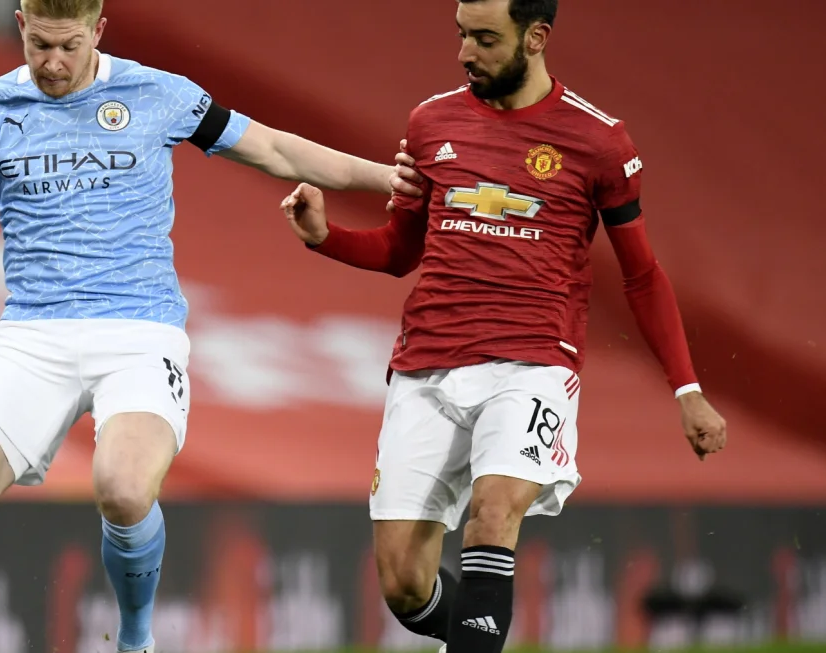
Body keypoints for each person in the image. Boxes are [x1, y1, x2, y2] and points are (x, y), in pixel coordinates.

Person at [0, 0, 409, 651]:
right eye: (39, 45)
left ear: (97, 30)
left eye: (68, 45)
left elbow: (271, 148)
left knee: (122, 490)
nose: (53, 62)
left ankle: (134, 637)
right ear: (19, 26)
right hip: (32, 334)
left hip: (138, 332)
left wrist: (390, 179)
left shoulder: (158, 94)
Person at [280, 1, 728, 651]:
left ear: (536, 37)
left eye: (486, 39)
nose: (466, 53)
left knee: (493, 513)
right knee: (404, 583)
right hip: (425, 363)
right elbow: (401, 252)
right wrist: (325, 237)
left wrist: (686, 390)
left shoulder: (598, 142)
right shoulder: (430, 122)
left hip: (531, 364)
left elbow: (642, 276)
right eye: (462, 35)